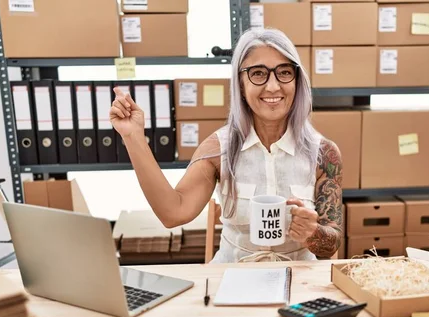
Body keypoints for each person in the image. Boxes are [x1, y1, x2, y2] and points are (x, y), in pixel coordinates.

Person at [109, 28, 343, 263]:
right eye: (258, 73)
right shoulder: (217, 148)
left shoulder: (323, 153)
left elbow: (330, 243)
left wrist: (312, 234)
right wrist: (133, 137)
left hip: (299, 281)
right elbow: (173, 213)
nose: (273, 86)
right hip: (233, 276)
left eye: (284, 72)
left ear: (297, 81)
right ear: (240, 84)